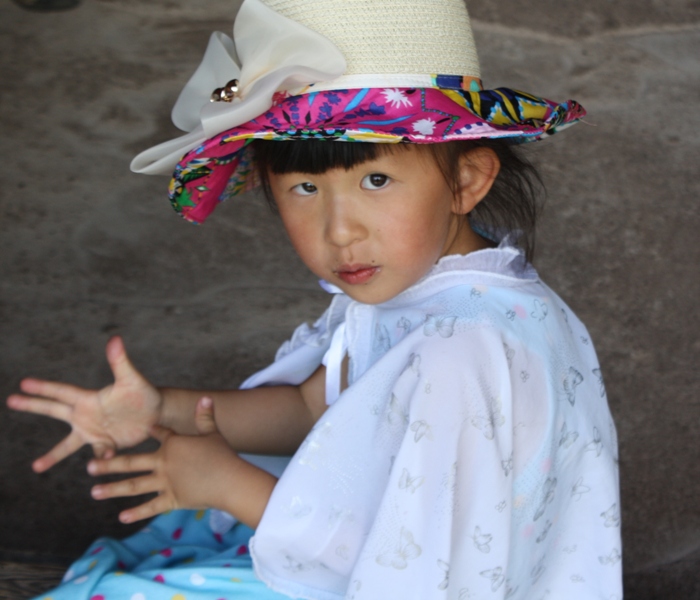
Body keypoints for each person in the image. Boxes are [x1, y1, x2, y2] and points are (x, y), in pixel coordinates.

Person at [7, 0, 622, 598]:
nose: (340, 230)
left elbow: (402, 565)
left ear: (466, 179)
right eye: (304, 187)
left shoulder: (458, 352)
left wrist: (228, 486)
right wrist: (161, 408)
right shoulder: (431, 289)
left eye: (375, 180)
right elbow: (313, 407)